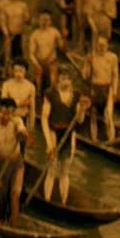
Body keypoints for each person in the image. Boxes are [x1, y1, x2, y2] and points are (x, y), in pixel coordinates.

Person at [40, 71, 88, 205]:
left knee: (65, 171)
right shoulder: (50, 94)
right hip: (54, 132)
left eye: (67, 78)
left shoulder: (76, 96)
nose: (64, 81)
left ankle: (63, 202)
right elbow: (44, 119)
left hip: (69, 134)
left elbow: (80, 120)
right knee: (51, 169)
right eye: (62, 78)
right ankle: (47, 200)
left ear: (71, 81)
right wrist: (49, 143)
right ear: (58, 79)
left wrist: (82, 109)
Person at [0, 98, 31, 226]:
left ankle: (13, 227)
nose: (5, 117)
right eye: (3, 113)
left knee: (15, 195)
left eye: (9, 113)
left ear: (12, 112)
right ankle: (0, 223)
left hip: (16, 164)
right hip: (1, 165)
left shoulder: (17, 121)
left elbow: (24, 132)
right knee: (1, 199)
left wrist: (23, 134)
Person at [81, 35, 118, 142]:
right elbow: (85, 76)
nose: (101, 47)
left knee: (108, 115)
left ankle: (111, 139)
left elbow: (115, 76)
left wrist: (115, 91)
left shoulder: (112, 57)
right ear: (96, 45)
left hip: (107, 89)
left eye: (103, 45)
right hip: (95, 88)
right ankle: (94, 138)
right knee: (93, 114)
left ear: (107, 45)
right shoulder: (92, 57)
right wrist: (87, 63)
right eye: (99, 45)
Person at [29, 10, 65, 94]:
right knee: (39, 83)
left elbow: (63, 49)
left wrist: (63, 39)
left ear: (50, 21)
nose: (44, 22)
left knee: (53, 82)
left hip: (52, 62)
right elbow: (31, 54)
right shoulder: (35, 34)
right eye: (42, 19)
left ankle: (53, 90)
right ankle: (38, 93)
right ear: (38, 20)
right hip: (39, 62)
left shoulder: (55, 32)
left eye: (47, 20)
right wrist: (37, 65)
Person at [0, 59, 36, 134]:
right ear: (13, 71)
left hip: (23, 117)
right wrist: (22, 103)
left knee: (22, 138)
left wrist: (31, 128)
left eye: (21, 71)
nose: (18, 73)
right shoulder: (7, 84)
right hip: (9, 118)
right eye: (16, 71)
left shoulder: (30, 87)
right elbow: (4, 103)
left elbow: (32, 109)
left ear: (25, 71)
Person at [0, 0, 30, 66]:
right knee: (9, 55)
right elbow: (2, 21)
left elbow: (26, 19)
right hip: (10, 35)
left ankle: (21, 67)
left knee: (20, 53)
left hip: (20, 34)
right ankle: (9, 68)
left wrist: (27, 20)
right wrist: (6, 33)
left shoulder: (23, 6)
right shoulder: (5, 6)